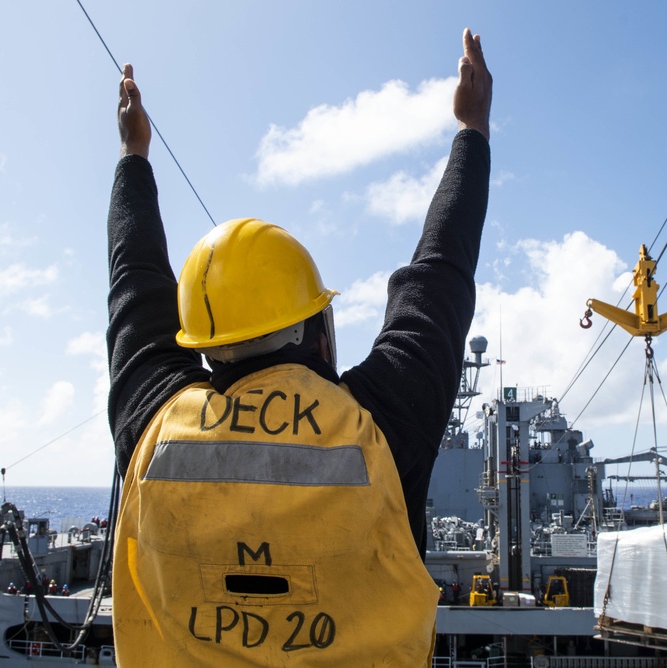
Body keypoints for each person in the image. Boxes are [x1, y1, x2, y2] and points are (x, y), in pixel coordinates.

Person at [106, 28, 491, 666]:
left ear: (204, 343)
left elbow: (135, 287)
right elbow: (440, 275)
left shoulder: (154, 429)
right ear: (316, 331)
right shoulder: (376, 431)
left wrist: (132, 158)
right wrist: (471, 132)